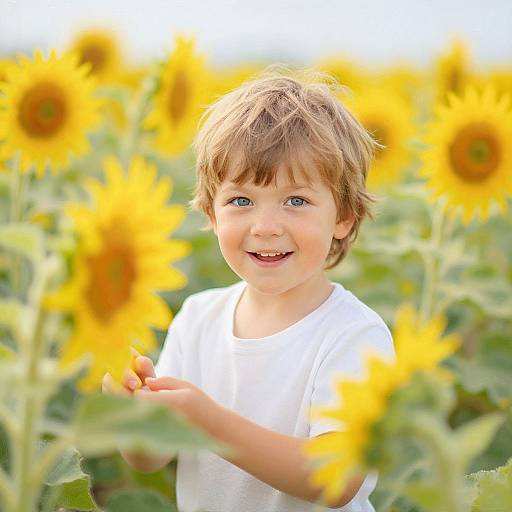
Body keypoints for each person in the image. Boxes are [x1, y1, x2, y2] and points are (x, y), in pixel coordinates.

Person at [102, 68, 395, 512]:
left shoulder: (353, 336)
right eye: (241, 201)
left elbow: (337, 480)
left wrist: (210, 421)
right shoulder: (198, 318)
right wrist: (135, 415)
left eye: (296, 200)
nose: (266, 227)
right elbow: (149, 458)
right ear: (212, 213)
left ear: (345, 216)